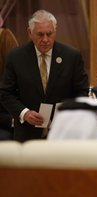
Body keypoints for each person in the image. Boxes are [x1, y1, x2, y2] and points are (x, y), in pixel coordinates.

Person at [0, 10, 89, 142]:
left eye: (49, 33)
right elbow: (5, 93)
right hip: (27, 135)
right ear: (30, 33)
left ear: (56, 31)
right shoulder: (16, 57)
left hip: (63, 132)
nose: (45, 39)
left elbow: (81, 91)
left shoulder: (72, 56)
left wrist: (68, 110)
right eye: (40, 34)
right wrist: (24, 113)